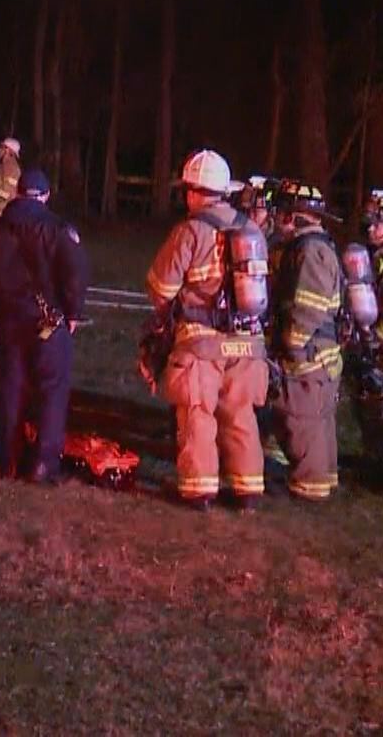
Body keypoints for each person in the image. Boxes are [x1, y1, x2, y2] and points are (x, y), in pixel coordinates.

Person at [144, 149, 269, 511]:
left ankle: (199, 491)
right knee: (241, 413)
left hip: (201, 344)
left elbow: (160, 289)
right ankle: (248, 491)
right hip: (248, 344)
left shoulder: (190, 231)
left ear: (195, 192)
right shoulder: (252, 230)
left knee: (198, 413)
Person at [0, 168, 90, 483]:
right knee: (52, 391)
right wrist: (73, 314)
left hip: (9, 322)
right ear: (46, 196)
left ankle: (9, 459)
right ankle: (43, 465)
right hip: (49, 324)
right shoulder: (59, 231)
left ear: (18, 192)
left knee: (11, 388)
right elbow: (75, 274)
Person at [268, 180, 344, 502]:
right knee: (315, 421)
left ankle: (309, 489)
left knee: (304, 422)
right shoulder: (313, 246)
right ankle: (320, 480)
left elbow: (307, 308)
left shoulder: (310, 251)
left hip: (308, 356)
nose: (277, 217)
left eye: (282, 210)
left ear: (295, 215)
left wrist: (290, 346)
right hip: (320, 356)